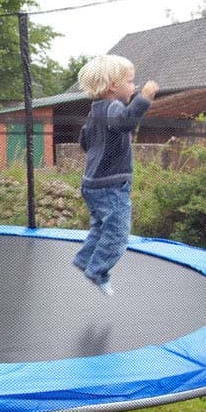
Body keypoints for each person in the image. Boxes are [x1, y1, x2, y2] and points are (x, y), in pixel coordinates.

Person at [72, 55, 159, 296]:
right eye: (131, 82)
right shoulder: (114, 107)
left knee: (100, 228)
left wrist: (103, 146)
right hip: (110, 185)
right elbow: (125, 123)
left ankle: (84, 259)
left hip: (92, 183)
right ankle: (97, 271)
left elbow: (84, 141)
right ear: (113, 86)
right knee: (119, 234)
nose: (135, 87)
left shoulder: (94, 111)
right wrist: (145, 98)